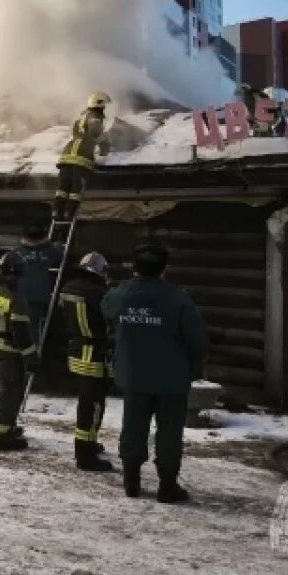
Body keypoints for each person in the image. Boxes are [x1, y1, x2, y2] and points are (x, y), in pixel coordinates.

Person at [101, 243, 209, 503]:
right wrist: (192, 368)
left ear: (134, 266)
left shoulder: (118, 295)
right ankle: (168, 486)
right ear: (164, 268)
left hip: (133, 375)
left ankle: (131, 480)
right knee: (170, 431)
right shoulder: (178, 299)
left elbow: (106, 315)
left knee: (133, 427)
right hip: (171, 378)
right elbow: (198, 341)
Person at [58, 251, 114, 472]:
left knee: (88, 402)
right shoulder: (101, 293)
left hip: (76, 349)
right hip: (95, 353)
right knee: (93, 404)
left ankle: (89, 443)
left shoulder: (68, 287)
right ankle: (85, 454)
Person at [0, 253, 38, 451]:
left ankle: (8, 426)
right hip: (9, 351)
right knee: (9, 393)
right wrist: (31, 356)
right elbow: (21, 332)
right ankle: (1, 435)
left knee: (5, 390)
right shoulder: (16, 298)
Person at [3, 220, 65, 356]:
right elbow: (60, 255)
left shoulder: (16, 253)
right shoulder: (49, 251)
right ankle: (31, 361)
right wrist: (58, 245)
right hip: (37, 298)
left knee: (18, 329)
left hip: (17, 298)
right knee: (32, 332)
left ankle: (20, 360)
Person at [54, 91, 110, 222]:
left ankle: (56, 212)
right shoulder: (95, 120)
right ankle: (69, 214)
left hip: (66, 155)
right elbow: (98, 138)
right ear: (99, 105)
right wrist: (105, 149)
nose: (104, 110)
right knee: (75, 190)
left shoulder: (78, 120)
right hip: (82, 157)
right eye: (104, 107)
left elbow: (79, 136)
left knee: (63, 188)